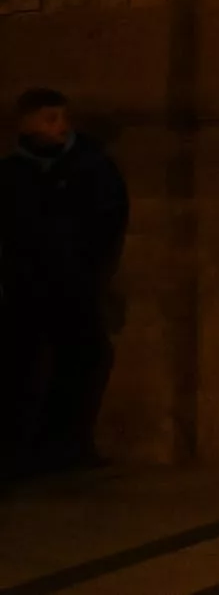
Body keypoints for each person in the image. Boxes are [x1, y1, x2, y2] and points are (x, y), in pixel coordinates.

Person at [0, 89, 128, 476]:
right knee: (19, 368)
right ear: (26, 123)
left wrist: (84, 265)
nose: (59, 127)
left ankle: (65, 445)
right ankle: (18, 449)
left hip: (73, 285)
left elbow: (105, 221)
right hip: (25, 287)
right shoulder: (13, 173)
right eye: (48, 119)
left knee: (79, 363)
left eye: (61, 118)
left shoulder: (89, 168)